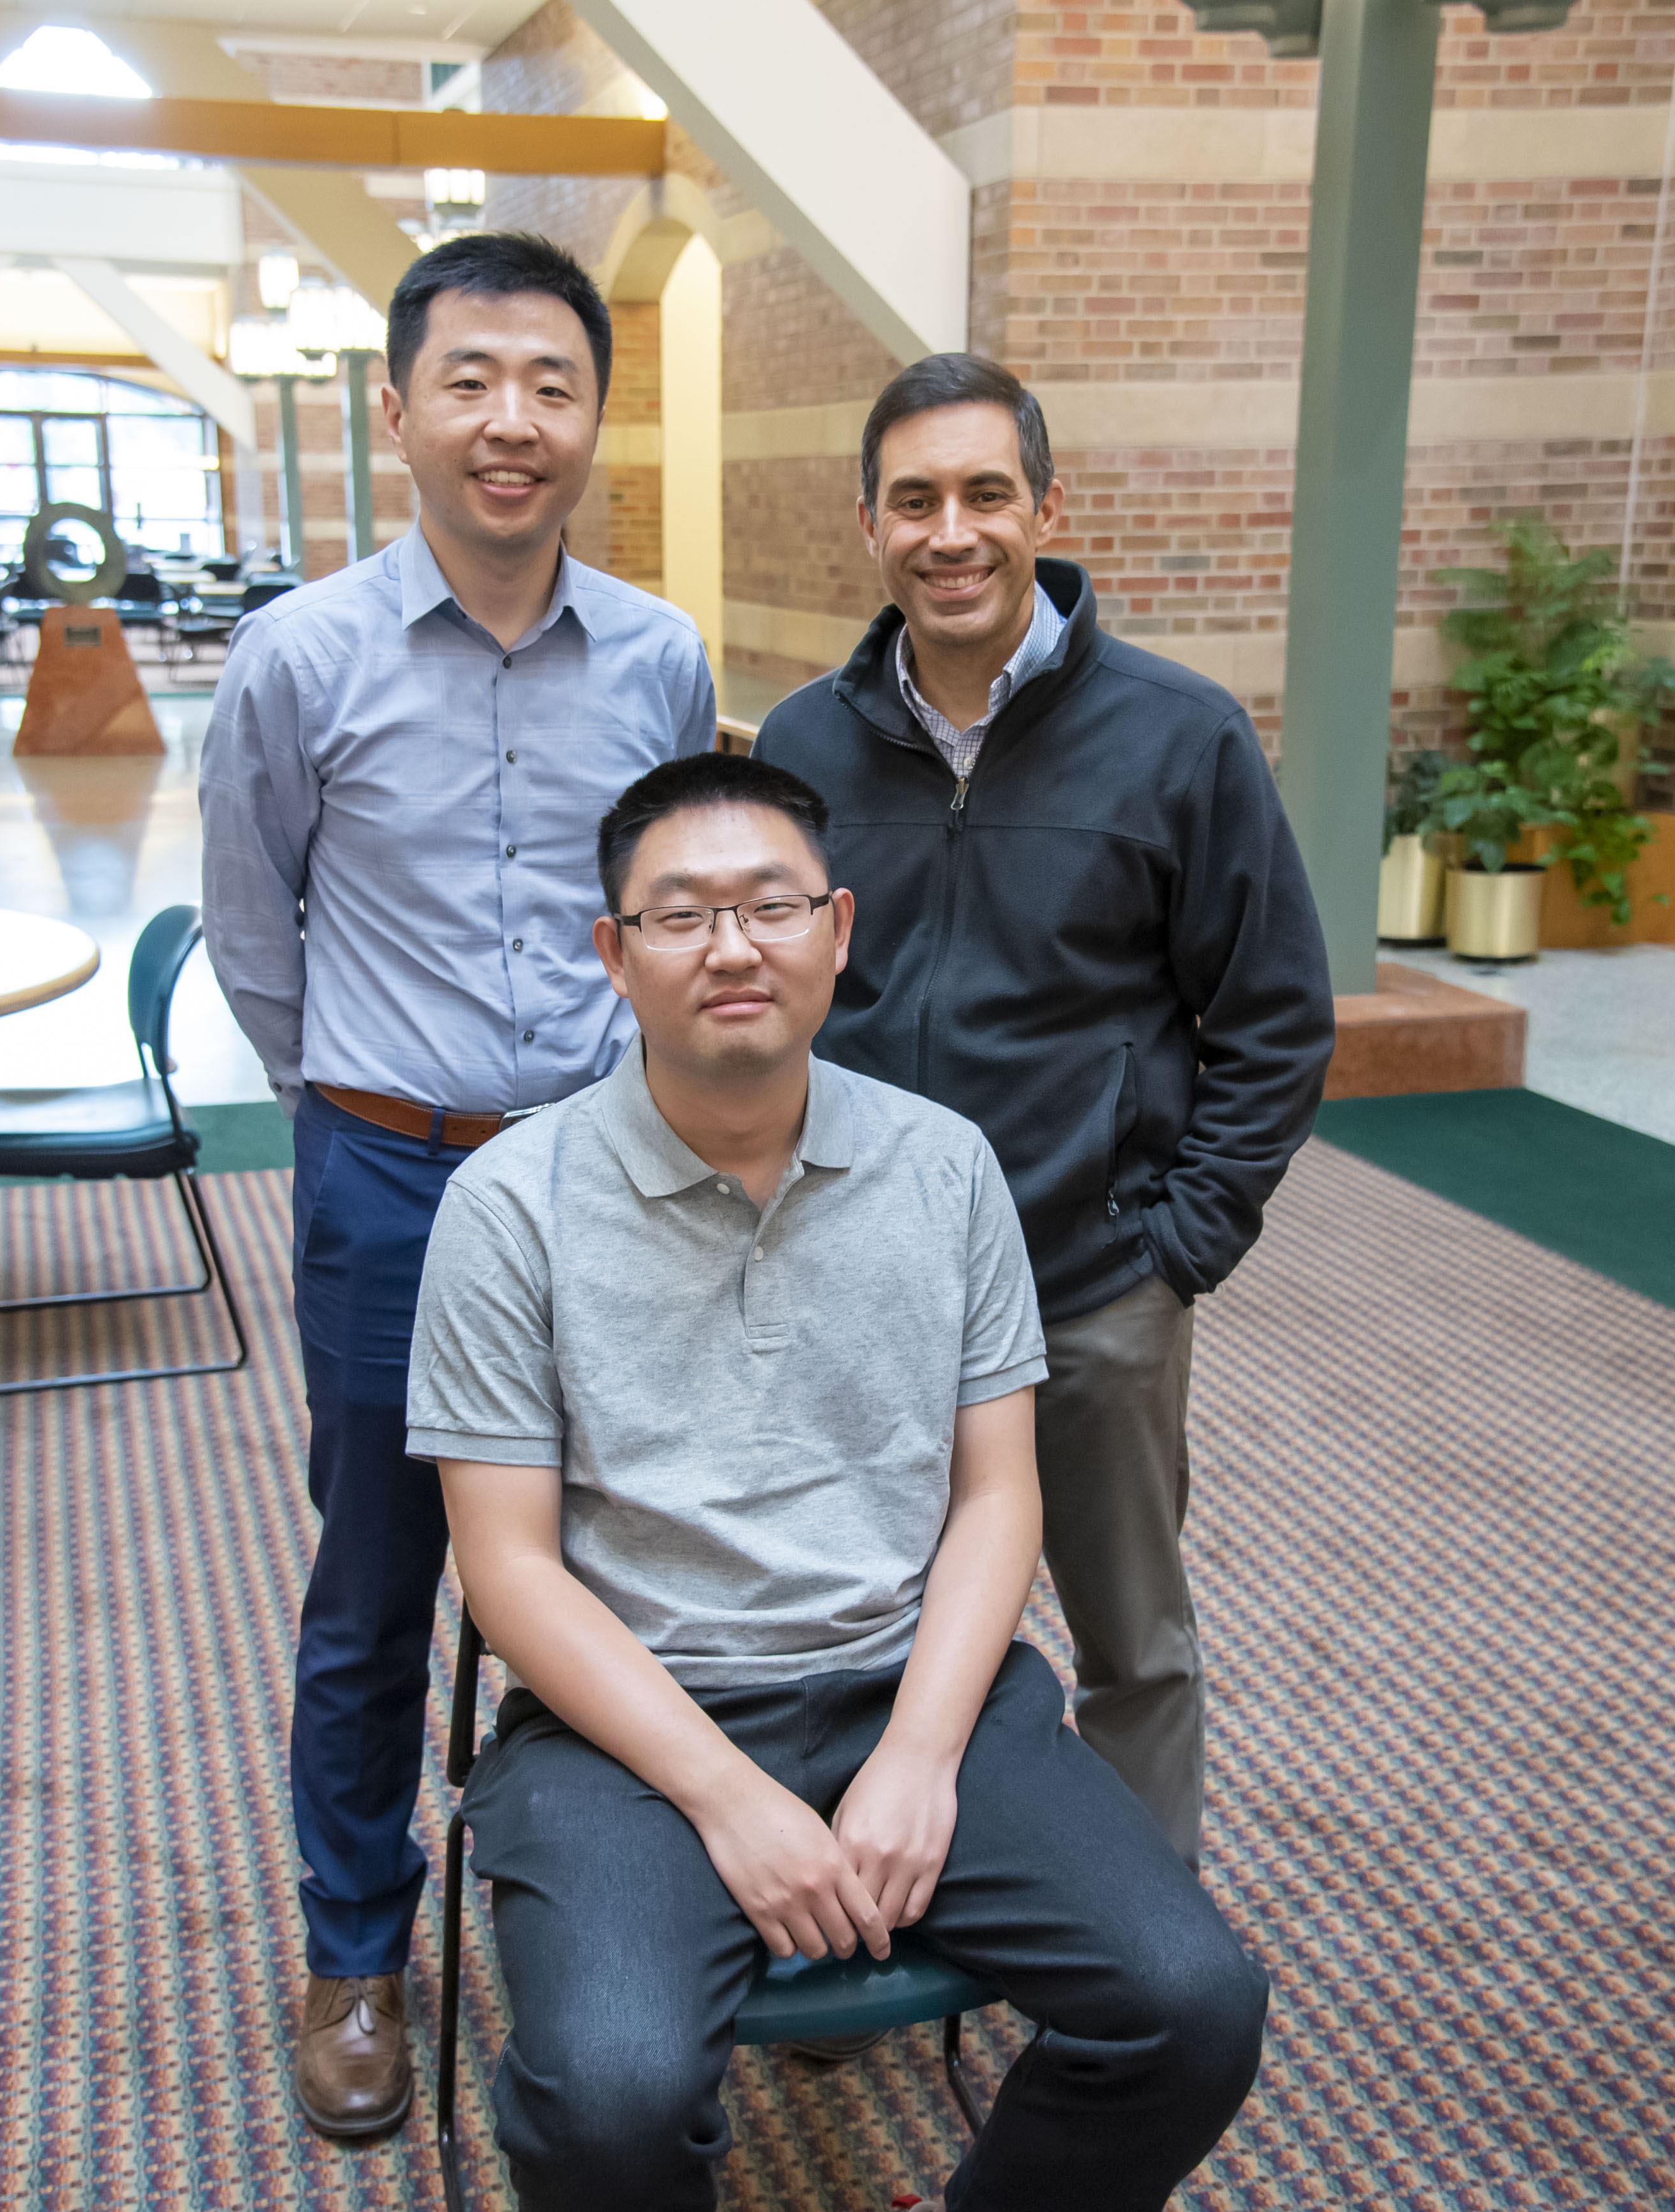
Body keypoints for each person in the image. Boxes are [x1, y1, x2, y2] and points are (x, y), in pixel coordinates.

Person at [412, 752, 1268, 2211]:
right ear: (613, 955)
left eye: (771, 906)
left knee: (1194, 2009)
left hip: (912, 1682)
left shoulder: (946, 1168)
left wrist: (922, 1757)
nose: (734, 947)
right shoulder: (510, 1205)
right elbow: (510, 1571)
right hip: (629, 1723)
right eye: (681, 916)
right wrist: (730, 1796)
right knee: (608, 2103)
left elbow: (999, 1497)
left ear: (841, 931)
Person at [197, 230, 717, 2140]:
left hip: (610, 1180)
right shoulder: (297, 655)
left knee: (627, 1553)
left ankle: (640, 1908)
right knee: (379, 1584)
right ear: (401, 409)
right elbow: (256, 941)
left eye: (552, 384)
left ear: (592, 417)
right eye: (471, 380)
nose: (512, 421)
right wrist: (362, 1121)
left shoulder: (659, 658)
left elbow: (665, 917)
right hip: (389, 1183)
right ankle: (354, 1949)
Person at [751, 354, 1334, 1862]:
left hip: (1090, 1285)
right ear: (869, 525)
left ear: (1047, 507)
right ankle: (851, 1914)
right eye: (916, 500)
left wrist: (1178, 1242)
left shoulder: (1180, 734)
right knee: (848, 1624)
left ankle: (1137, 1981)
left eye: (987, 494)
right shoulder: (806, 744)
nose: (953, 533)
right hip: (854, 1283)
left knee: (1131, 1642)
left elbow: (1273, 1017)